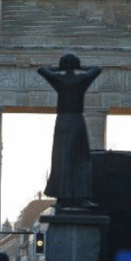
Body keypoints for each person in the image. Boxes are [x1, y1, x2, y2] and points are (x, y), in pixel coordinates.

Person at [37, 54, 102, 208]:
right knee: (81, 159)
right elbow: (96, 69)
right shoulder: (82, 79)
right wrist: (80, 68)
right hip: (77, 120)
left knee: (61, 159)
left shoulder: (59, 80)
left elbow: (42, 69)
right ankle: (83, 198)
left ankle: (61, 198)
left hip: (63, 122)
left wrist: (59, 68)